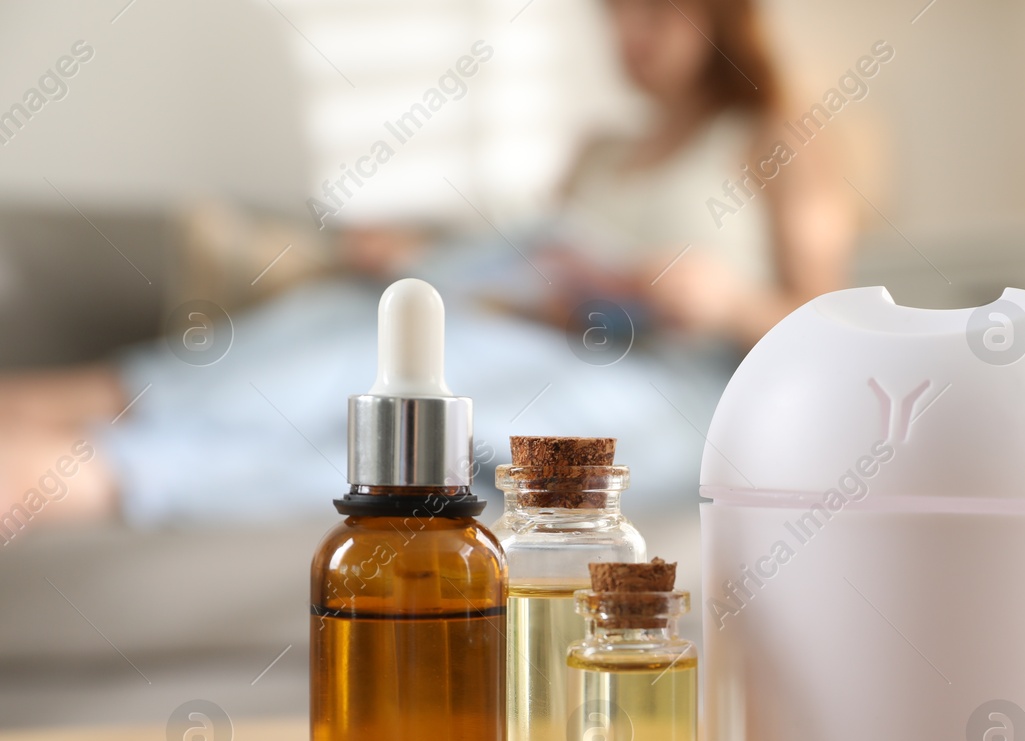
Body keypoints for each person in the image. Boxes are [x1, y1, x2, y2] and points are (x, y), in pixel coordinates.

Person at [0, 0, 854, 528]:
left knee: (385, 397)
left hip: (657, 374)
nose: (629, 35)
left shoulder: (777, 138)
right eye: (614, 11)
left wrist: (730, 298)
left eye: (657, 11)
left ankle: (105, 466)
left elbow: (832, 336)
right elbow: (525, 265)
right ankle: (71, 421)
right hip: (535, 323)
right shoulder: (600, 150)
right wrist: (418, 256)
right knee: (356, 327)